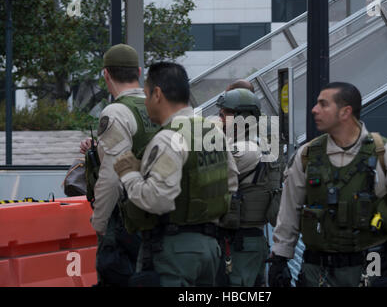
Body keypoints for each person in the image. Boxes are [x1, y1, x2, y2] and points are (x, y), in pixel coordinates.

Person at [268, 82, 387, 287]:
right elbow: (289, 211)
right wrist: (279, 258)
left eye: (323, 104)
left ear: (345, 112)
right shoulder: (306, 155)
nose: (314, 110)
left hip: (372, 261)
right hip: (317, 267)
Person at [112, 62, 239, 287]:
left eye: (147, 94)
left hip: (173, 250)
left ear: (157, 94)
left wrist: (129, 174)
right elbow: (230, 182)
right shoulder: (212, 132)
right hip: (211, 249)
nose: (146, 101)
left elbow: (157, 199)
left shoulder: (168, 138)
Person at [80, 44, 159, 286]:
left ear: (106, 74)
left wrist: (100, 223)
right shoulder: (158, 107)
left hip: (126, 223)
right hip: (162, 218)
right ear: (138, 71)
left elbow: (112, 176)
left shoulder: (116, 112)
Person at [215, 87, 282, 287]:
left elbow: (211, 172)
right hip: (250, 239)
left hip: (240, 241)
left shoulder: (245, 150)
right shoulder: (260, 143)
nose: (219, 118)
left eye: (223, 114)